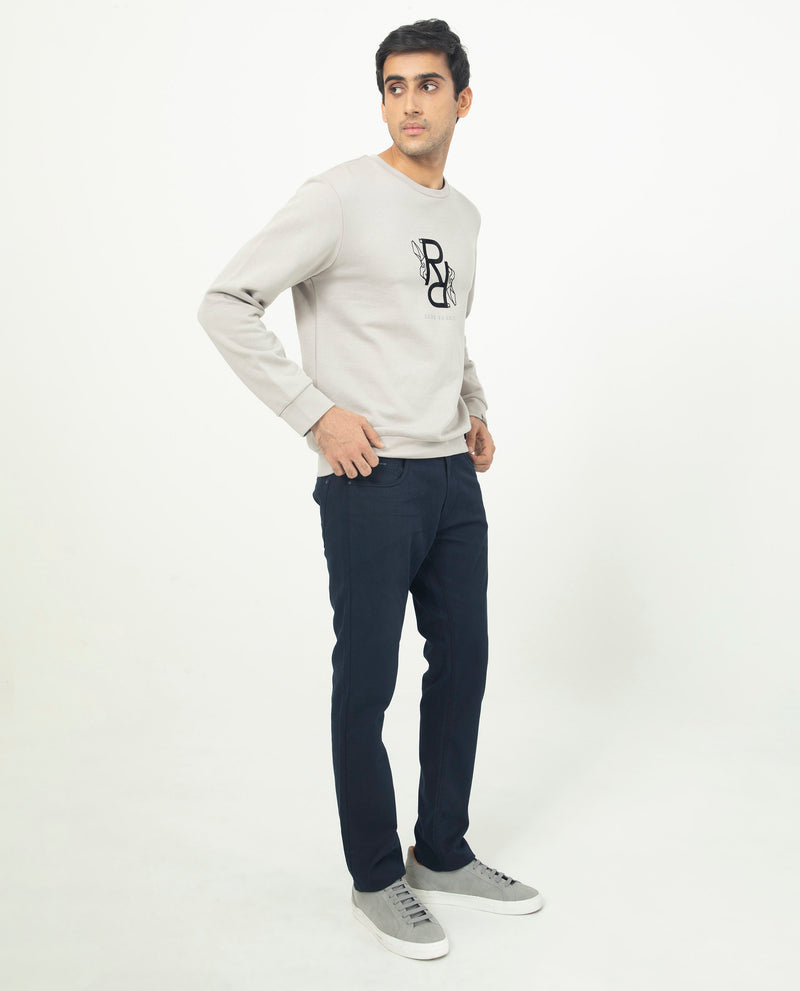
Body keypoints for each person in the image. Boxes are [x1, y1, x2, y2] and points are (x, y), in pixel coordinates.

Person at [196, 18, 543, 960]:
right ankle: (375, 876)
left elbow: (444, 328)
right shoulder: (340, 197)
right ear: (382, 100)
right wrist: (315, 414)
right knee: (368, 680)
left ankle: (442, 850)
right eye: (394, 86)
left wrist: (473, 406)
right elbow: (226, 303)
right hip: (371, 477)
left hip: (451, 477)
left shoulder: (464, 217)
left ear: (462, 100)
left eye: (428, 85)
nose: (410, 103)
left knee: (463, 664)